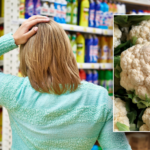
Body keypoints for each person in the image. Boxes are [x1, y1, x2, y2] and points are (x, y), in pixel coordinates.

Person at [0, 15, 131, 150]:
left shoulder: (15, 92)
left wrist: (13, 40)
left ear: (26, 55)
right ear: (67, 49)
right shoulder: (99, 98)